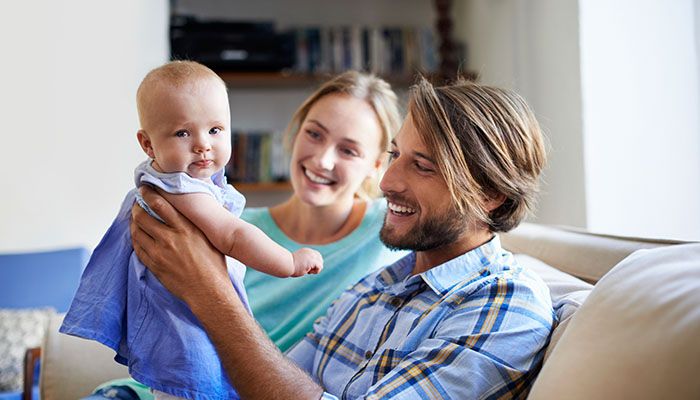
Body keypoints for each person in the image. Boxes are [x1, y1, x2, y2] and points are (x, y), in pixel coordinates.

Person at [130, 76, 555, 399]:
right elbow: (265, 381)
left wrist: (207, 291)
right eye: (395, 155)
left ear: (490, 196)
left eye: (422, 166)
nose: (386, 182)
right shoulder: (375, 289)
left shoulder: (506, 303)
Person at [82, 70, 409, 400]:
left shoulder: (387, 230)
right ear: (295, 133)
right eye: (314, 134)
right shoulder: (225, 223)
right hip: (146, 390)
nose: (322, 160)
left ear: (378, 166)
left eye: (348, 150)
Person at [60, 61, 323, 400]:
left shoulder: (164, 179)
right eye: (183, 133)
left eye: (215, 129)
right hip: (185, 337)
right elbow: (233, 235)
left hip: (174, 334)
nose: (202, 144)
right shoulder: (183, 190)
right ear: (148, 144)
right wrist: (290, 262)